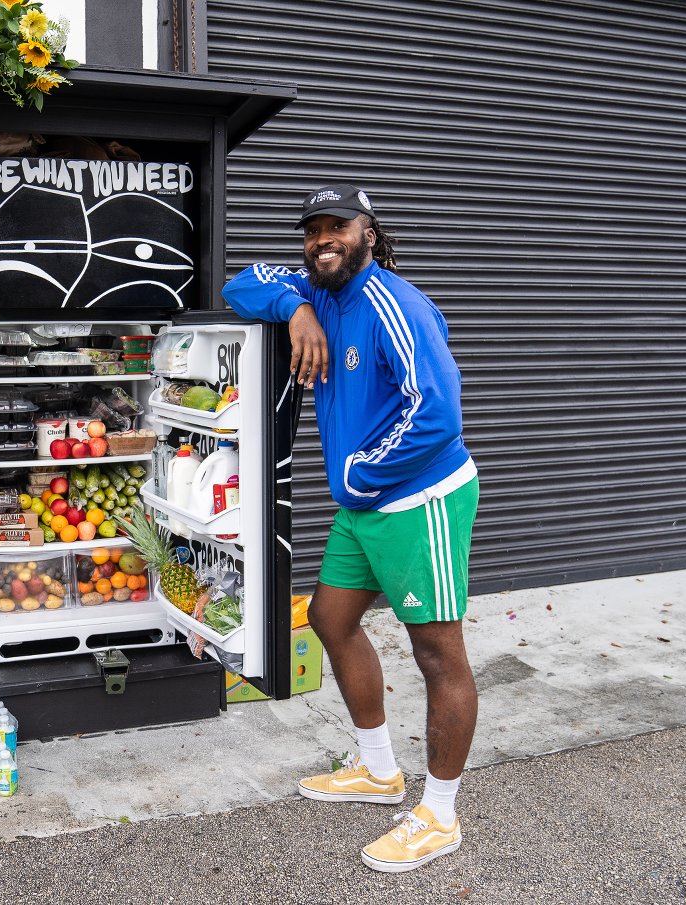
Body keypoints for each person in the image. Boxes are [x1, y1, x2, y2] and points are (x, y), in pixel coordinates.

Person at [222, 184, 479, 873]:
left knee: (438, 654)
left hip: (418, 499)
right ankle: (379, 770)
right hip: (365, 505)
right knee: (330, 619)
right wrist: (297, 308)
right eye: (312, 230)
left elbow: (437, 412)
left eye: (338, 226)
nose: (322, 239)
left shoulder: (396, 303)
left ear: (369, 232)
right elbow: (239, 285)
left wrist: (361, 473)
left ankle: (440, 814)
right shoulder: (319, 293)